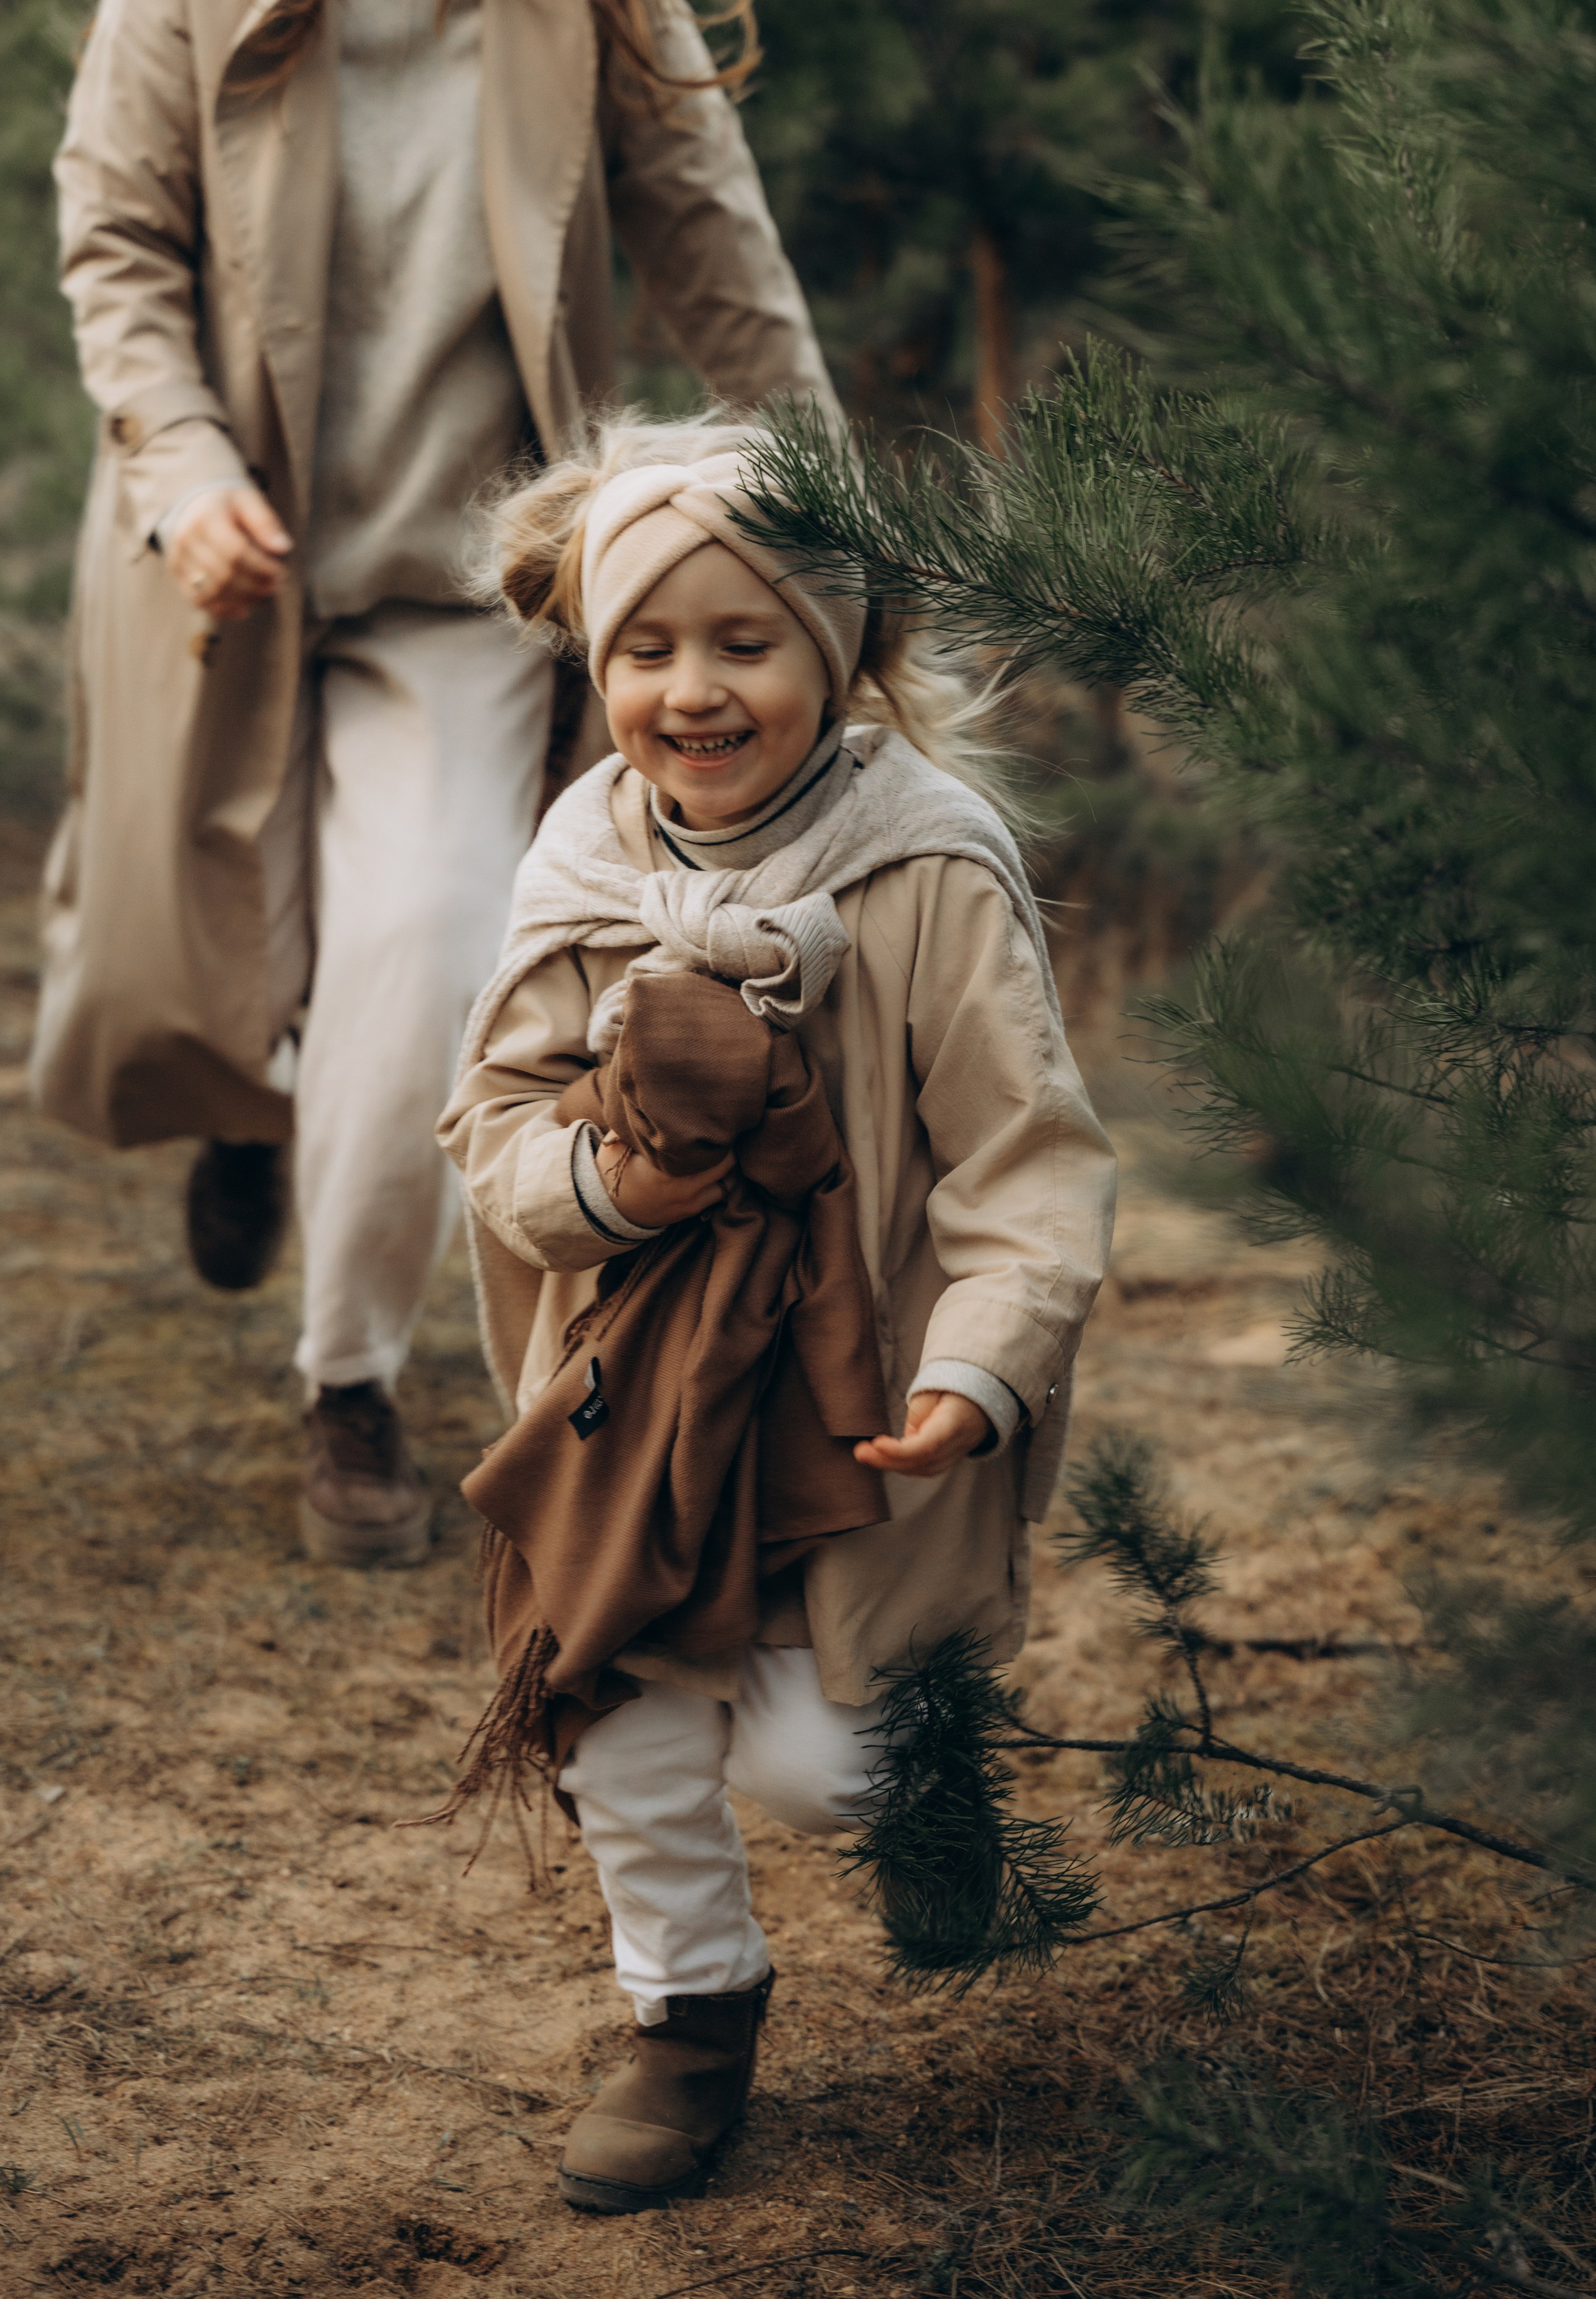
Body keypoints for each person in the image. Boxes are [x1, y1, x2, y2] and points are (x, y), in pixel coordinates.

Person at [31, 0, 834, 1567]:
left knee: (438, 953)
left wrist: (833, 503)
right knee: (221, 939)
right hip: (225, 556)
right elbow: (117, 236)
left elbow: (716, 244)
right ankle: (262, 1099)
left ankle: (349, 1387)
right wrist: (181, 469)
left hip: (469, 578)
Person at [435, 414, 1116, 2214]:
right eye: (646, 651)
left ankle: (921, 1764)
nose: (694, 690)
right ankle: (689, 2018)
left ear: (835, 652)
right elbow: (494, 1130)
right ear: (596, 666)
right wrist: (616, 1186)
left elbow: (1027, 1165)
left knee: (819, 1765)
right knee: (624, 1714)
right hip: (637, 1403)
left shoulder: (928, 866)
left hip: (854, 1401)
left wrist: (976, 1370)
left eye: (746, 644)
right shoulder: (580, 863)